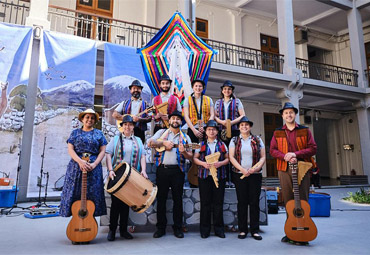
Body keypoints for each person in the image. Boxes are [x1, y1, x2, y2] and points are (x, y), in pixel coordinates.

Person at [269, 102, 317, 245]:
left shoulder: (305, 130)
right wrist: (285, 156)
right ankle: (290, 232)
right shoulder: (277, 132)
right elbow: (272, 150)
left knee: (302, 198)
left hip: (302, 166)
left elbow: (313, 148)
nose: (288, 115)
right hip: (284, 168)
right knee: (288, 200)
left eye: (291, 112)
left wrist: (296, 154)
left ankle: (303, 231)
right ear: (282, 116)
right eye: (286, 113)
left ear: (295, 114)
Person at [147, 110, 193, 238]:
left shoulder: (185, 137)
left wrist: (184, 152)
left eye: (178, 119)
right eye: (173, 118)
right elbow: (150, 143)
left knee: (178, 200)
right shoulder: (161, 133)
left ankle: (177, 227)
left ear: (180, 122)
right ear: (170, 120)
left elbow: (191, 157)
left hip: (178, 171)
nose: (175, 121)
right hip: (162, 170)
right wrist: (163, 143)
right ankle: (160, 228)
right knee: (161, 199)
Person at [105, 115, 147, 241]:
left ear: (133, 126)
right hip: (117, 175)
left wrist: (143, 170)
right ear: (122, 126)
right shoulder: (116, 139)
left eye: (130, 124)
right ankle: (112, 230)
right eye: (125, 125)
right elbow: (108, 154)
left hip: (132, 175)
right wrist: (110, 170)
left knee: (126, 203)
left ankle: (123, 230)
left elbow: (143, 156)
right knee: (115, 204)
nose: (127, 127)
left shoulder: (138, 140)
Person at [60, 109, 107, 218]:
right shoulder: (75, 133)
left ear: (95, 120)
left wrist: (94, 164)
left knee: (93, 194)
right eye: (87, 117)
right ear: (82, 119)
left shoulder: (99, 134)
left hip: (93, 168)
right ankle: (76, 219)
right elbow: (70, 149)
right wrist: (80, 161)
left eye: (92, 118)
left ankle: (89, 219)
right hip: (76, 167)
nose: (89, 120)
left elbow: (102, 151)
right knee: (75, 191)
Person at [229, 116, 266, 240]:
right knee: (242, 202)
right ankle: (243, 230)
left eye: (246, 125)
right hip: (239, 175)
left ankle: (254, 230)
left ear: (250, 127)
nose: (244, 127)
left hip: (255, 175)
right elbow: (231, 157)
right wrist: (242, 169)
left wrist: (255, 168)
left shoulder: (257, 139)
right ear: (239, 127)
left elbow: (263, 157)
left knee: (254, 202)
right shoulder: (234, 140)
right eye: (241, 125)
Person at [193, 120, 229, 239]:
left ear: (217, 131)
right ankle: (205, 229)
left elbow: (228, 159)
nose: (211, 131)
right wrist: (203, 164)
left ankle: (219, 229)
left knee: (218, 203)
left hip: (220, 176)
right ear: (206, 131)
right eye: (209, 129)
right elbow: (195, 159)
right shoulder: (201, 144)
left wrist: (221, 163)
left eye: (213, 129)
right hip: (204, 176)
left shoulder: (222, 145)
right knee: (205, 203)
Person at [214, 80, 245, 187]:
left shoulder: (237, 101)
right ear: (222, 91)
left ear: (232, 91)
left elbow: (242, 115)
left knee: (234, 154)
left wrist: (232, 122)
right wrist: (221, 122)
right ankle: (225, 179)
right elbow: (214, 116)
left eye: (229, 89)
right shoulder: (218, 102)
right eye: (225, 89)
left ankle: (235, 180)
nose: (227, 91)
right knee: (223, 154)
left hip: (234, 130)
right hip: (222, 130)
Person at [183, 79, 214, 143]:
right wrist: (194, 130)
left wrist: (206, 127)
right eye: (196, 86)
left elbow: (212, 114)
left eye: (200, 86)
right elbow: (186, 116)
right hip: (192, 128)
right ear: (193, 87)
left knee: (204, 149)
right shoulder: (187, 100)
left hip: (206, 129)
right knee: (192, 149)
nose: (198, 88)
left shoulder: (209, 99)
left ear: (203, 88)